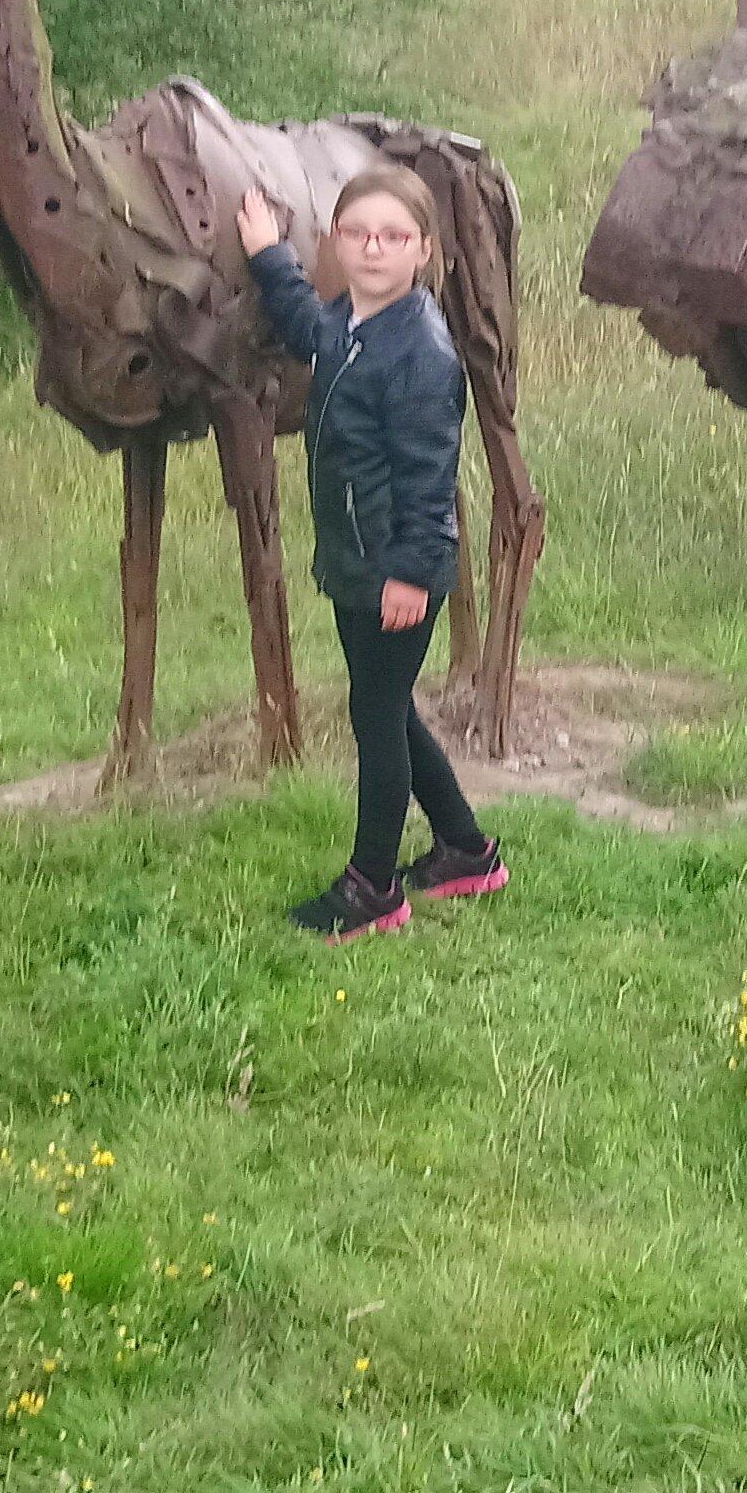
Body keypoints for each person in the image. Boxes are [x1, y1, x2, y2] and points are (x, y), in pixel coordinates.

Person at [239, 165, 501, 938]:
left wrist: (411, 578)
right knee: (387, 707)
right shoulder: (352, 325)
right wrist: (266, 256)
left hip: (395, 573)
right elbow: (307, 327)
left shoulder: (420, 354)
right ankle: (464, 851)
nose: (374, 248)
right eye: (358, 234)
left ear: (423, 249)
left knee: (376, 715)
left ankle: (372, 890)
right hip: (361, 563)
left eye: (393, 236)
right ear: (336, 243)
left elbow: (430, 485)